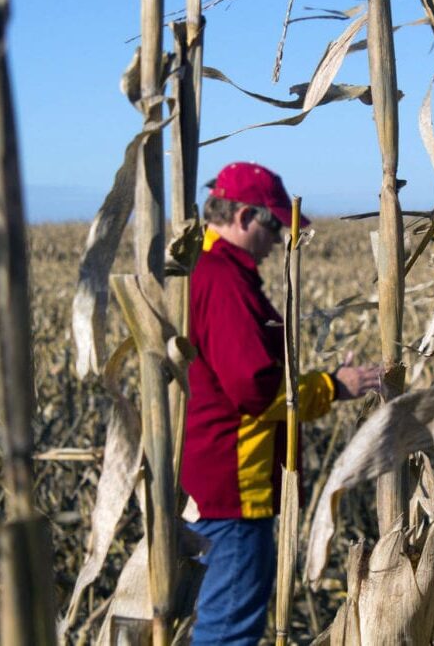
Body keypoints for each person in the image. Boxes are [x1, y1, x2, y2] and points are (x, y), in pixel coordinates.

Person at [181, 161, 382, 645]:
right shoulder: (223, 281)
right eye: (274, 225)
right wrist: (332, 387)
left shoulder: (201, 271)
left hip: (203, 480)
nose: (278, 240)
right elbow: (252, 390)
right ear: (245, 217)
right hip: (232, 489)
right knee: (228, 631)